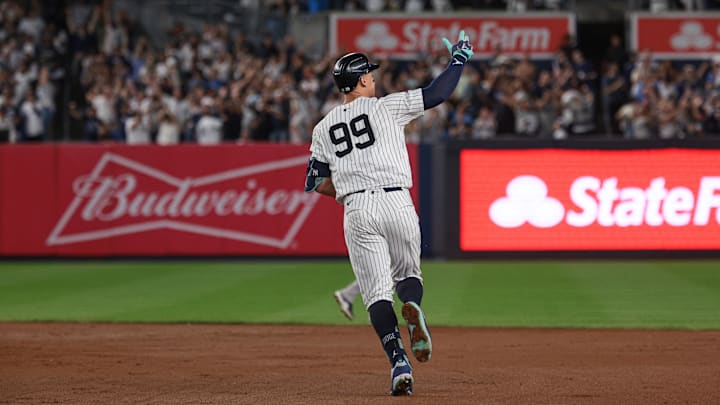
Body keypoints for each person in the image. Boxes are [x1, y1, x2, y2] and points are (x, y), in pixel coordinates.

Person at [304, 31, 474, 396]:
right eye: (371, 74)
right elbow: (439, 94)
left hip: (357, 208)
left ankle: (399, 363)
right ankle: (412, 304)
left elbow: (316, 182)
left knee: (376, 296)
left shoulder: (321, 129)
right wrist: (458, 59)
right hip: (397, 200)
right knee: (408, 276)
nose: (375, 78)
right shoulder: (386, 106)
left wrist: (348, 191)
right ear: (363, 79)